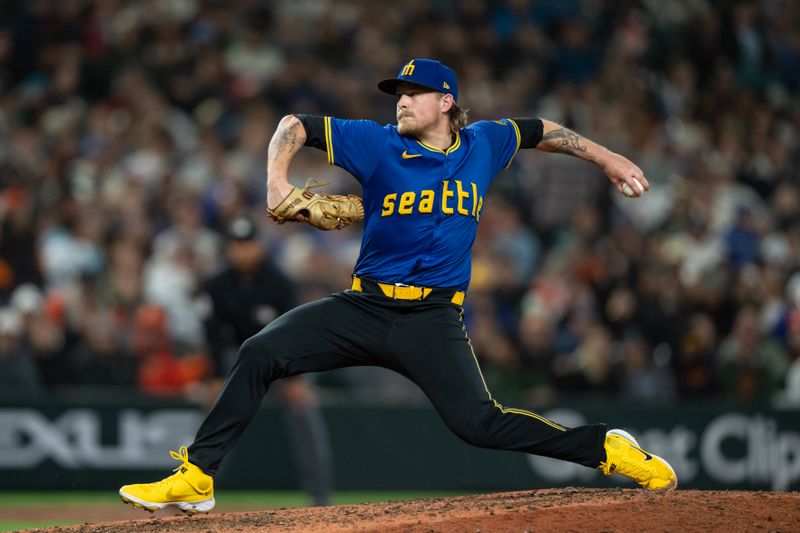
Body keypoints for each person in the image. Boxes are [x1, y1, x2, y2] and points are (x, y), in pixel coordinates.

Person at [119, 58, 677, 515]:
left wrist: (607, 158)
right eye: (398, 93)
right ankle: (197, 477)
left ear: (446, 102)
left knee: (478, 424)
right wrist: (275, 181)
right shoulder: (377, 143)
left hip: (432, 321)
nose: (402, 101)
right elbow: (294, 125)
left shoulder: (484, 143)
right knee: (260, 351)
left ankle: (604, 447)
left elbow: (541, 132)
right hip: (363, 307)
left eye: (415, 92)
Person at [201, 216, 332, 505]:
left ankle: (320, 496)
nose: (243, 251)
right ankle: (196, 488)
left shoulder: (280, 282)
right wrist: (214, 377)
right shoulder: (217, 285)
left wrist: (294, 379)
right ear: (229, 249)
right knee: (216, 416)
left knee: (304, 410)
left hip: (279, 361)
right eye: (237, 245)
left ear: (259, 246)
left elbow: (295, 333)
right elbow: (214, 335)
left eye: (248, 244)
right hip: (239, 362)